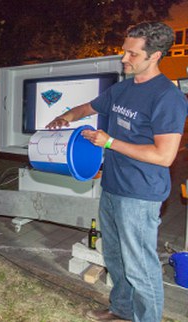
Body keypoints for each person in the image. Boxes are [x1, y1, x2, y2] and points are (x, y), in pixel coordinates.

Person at [46, 22, 188, 322]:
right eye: (124, 51)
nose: (124, 59)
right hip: (112, 188)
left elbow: (164, 156)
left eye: (133, 54)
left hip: (141, 193)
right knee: (115, 258)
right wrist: (65, 116)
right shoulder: (123, 88)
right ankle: (121, 310)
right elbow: (89, 107)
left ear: (155, 55)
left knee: (140, 265)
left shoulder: (168, 97)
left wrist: (110, 141)